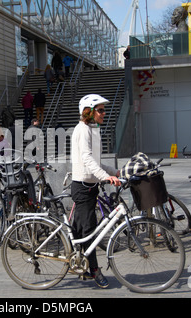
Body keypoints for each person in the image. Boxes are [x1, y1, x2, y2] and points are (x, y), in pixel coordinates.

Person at [71, 94, 120, 288]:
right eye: (100, 110)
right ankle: (94, 270)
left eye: (103, 110)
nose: (104, 113)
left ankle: (78, 263)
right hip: (83, 187)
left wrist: (114, 172)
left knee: (80, 229)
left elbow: (96, 161)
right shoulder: (83, 129)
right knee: (89, 231)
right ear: (89, 111)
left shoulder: (93, 129)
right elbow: (87, 159)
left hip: (90, 186)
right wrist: (104, 177)